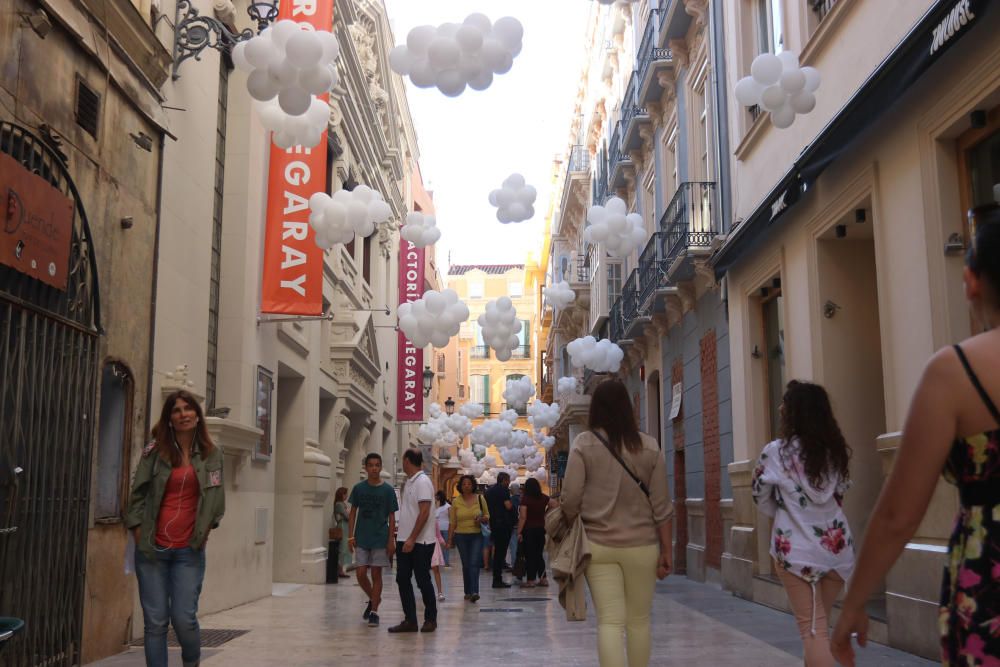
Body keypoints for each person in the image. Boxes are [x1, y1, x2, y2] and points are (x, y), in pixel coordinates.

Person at [832, 203, 1000, 666]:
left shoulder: (955, 373)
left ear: (971, 281)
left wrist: (854, 602)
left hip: (990, 588)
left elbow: (898, 515)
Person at [560, 380, 673, 667]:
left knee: (610, 622)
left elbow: (570, 498)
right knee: (639, 620)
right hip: (643, 546)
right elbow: (662, 506)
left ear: (596, 409)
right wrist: (667, 551)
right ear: (628, 407)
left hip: (598, 546)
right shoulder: (649, 447)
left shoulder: (583, 445)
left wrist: (573, 520)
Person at [752, 380, 855, 667]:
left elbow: (759, 495)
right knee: (819, 624)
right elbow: (841, 492)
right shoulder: (835, 451)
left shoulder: (776, 453)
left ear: (795, 412)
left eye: (786, 402)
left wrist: (785, 514)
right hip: (836, 552)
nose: (780, 406)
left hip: (795, 552)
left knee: (813, 631)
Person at [126, 389, 226, 667]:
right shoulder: (154, 451)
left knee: (183, 619)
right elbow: (137, 493)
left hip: (188, 550)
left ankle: (191, 662)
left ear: (197, 414)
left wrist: (206, 530)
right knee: (155, 622)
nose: (183, 414)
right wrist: (137, 530)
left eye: (187, 408)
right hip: (151, 548)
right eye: (176, 410)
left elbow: (217, 500)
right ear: (169, 418)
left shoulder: (211, 455)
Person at [388, 448, 437, 633]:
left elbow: (424, 512)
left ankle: (431, 619)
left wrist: (412, 538)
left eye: (403, 460)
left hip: (420, 541)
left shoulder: (422, 482)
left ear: (407, 460)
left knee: (422, 579)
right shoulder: (409, 482)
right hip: (405, 539)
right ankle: (410, 620)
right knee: (402, 579)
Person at [348, 453, 398, 628]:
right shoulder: (359, 488)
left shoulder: (388, 490)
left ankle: (374, 612)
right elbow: (353, 512)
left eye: (377, 465)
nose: (374, 468)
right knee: (361, 573)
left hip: (380, 538)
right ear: (366, 468)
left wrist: (391, 540)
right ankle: (374, 598)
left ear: (381, 467)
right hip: (362, 537)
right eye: (371, 465)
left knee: (376, 574)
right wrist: (350, 536)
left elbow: (392, 517)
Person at [447, 474, 489, 602]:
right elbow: (452, 522)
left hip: (476, 534)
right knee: (466, 564)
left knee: (474, 563)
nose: (466, 486)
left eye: (469, 484)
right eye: (464, 484)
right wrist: (449, 540)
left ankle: (475, 591)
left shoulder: (480, 499)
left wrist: (482, 519)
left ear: (473, 485)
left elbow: (487, 515)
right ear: (460, 486)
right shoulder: (456, 502)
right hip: (461, 536)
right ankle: (468, 591)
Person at [517, 477, 550, 588]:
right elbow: (555, 504)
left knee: (530, 555)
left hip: (528, 531)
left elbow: (523, 517)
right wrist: (545, 514)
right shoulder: (543, 498)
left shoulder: (525, 499)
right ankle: (543, 579)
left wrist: (519, 531)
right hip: (541, 529)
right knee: (539, 554)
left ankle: (531, 580)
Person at [485, 471, 515, 588]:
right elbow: (508, 505)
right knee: (501, 553)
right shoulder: (503, 490)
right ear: (504, 480)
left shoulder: (489, 491)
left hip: (493, 524)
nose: (509, 483)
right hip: (503, 524)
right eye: (508, 480)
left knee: (497, 551)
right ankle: (497, 580)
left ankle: (496, 578)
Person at [333, 487, 351, 578]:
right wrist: (348, 513)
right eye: (345, 494)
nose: (346, 496)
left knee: (345, 548)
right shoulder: (339, 504)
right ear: (341, 494)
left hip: (345, 526)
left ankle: (341, 570)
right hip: (342, 527)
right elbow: (347, 516)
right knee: (343, 549)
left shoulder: (342, 504)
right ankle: (339, 570)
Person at [508, 482, 521, 577]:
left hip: (513, 526)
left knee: (513, 546)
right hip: (523, 526)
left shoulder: (511, 500)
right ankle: (522, 565)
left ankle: (514, 565)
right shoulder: (522, 499)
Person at [434, 490, 451, 567]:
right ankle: (440, 561)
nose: (436, 497)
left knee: (445, 545)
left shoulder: (448, 507)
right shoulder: (435, 506)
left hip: (445, 528)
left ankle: (446, 561)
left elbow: (451, 518)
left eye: (437, 496)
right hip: (437, 528)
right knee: (439, 546)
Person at [431, 520, 446, 601]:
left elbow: (438, 534)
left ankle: (440, 592)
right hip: (421, 544)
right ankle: (427, 591)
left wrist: (444, 543)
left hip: (433, 544)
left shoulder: (434, 520)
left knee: (436, 569)